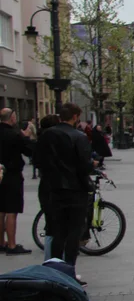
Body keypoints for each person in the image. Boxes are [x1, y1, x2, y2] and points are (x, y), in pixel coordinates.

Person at [34, 103, 93, 274]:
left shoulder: (47, 135)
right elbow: (84, 166)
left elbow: (37, 161)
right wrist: (92, 165)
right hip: (75, 190)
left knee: (57, 230)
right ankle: (69, 269)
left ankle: (55, 269)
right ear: (75, 117)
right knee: (74, 231)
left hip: (52, 189)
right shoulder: (79, 136)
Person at [0, 109, 35, 254]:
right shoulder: (14, 134)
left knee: (0, 210)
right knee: (11, 210)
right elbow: (28, 150)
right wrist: (26, 137)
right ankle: (12, 245)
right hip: (12, 174)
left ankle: (1, 242)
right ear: (12, 118)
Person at [34, 115, 60, 259]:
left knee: (51, 225)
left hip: (46, 186)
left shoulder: (41, 141)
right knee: (58, 227)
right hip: (56, 187)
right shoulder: (54, 141)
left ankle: (50, 260)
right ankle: (54, 263)